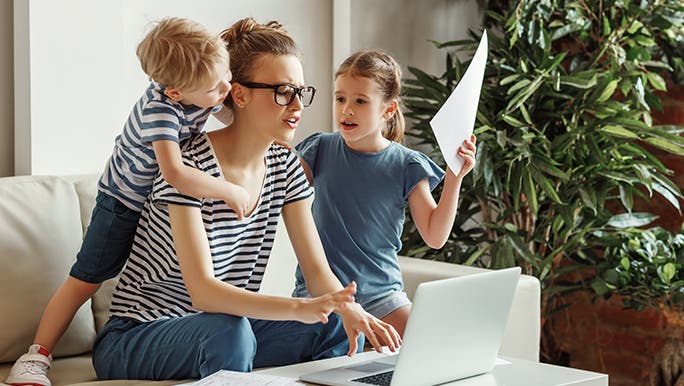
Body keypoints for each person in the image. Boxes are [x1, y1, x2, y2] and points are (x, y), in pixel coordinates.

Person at [91, 18, 401, 381]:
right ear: (239, 94)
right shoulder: (188, 165)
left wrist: (350, 309)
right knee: (230, 331)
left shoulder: (285, 165)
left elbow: (317, 272)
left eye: (301, 91)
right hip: (138, 334)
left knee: (332, 323)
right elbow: (203, 293)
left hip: (220, 328)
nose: (297, 104)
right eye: (284, 91)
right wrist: (298, 306)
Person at [5, 17, 248, 386]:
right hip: (121, 205)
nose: (227, 89)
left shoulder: (200, 88)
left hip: (151, 206)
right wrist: (229, 189)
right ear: (176, 93)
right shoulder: (159, 112)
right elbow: (175, 173)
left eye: (227, 75)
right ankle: (36, 355)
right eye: (217, 87)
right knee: (84, 281)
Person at [292, 49, 477, 337]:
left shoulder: (407, 165)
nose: (346, 110)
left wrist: (455, 176)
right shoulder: (319, 150)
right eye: (340, 98)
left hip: (383, 298)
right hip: (320, 297)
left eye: (360, 101)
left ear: (388, 110)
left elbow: (435, 236)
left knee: (429, 344)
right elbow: (274, 188)